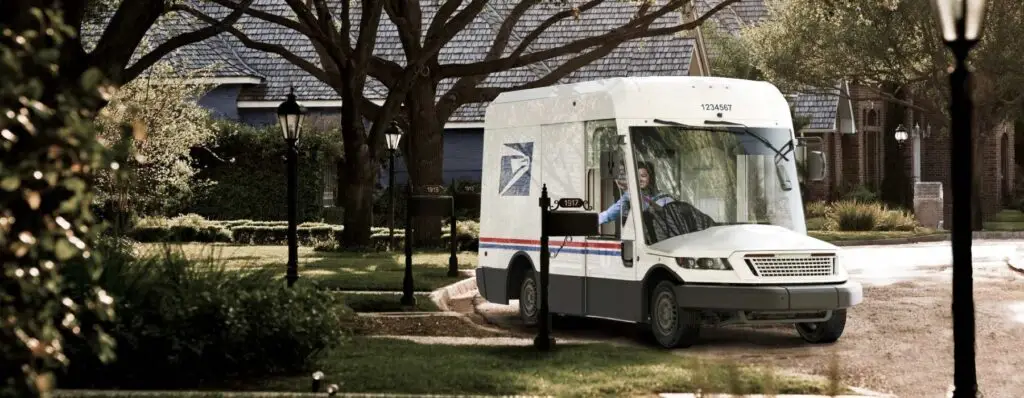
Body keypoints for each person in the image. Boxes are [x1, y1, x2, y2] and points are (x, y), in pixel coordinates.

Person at [599, 161, 674, 225]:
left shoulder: (665, 198)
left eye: (643, 176)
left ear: (650, 177)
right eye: (636, 177)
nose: (639, 179)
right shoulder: (629, 197)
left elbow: (671, 220)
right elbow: (609, 214)